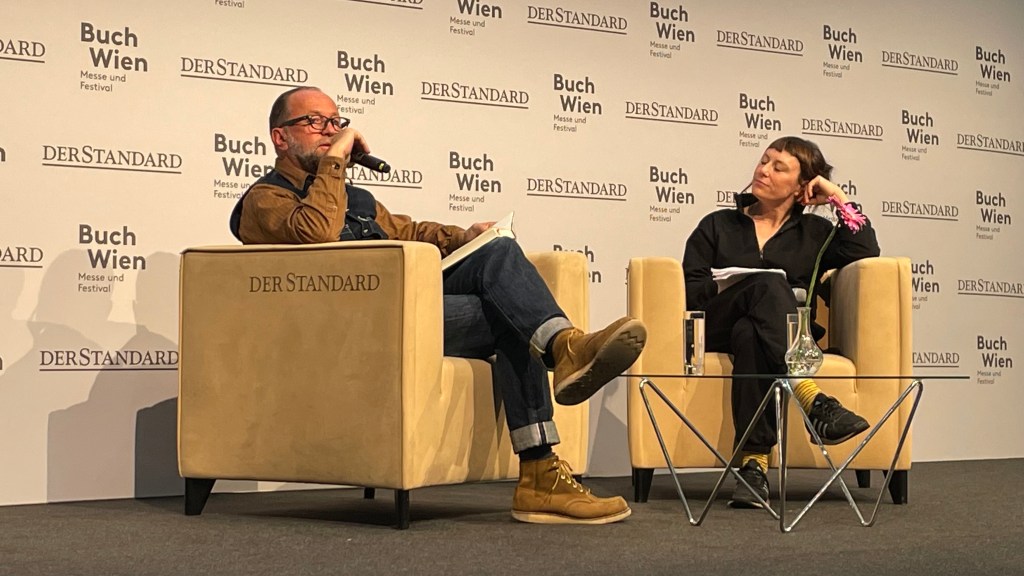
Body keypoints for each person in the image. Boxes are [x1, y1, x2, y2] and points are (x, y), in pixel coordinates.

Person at [230, 86, 646, 525]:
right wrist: (336, 159)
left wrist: (464, 237)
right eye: (315, 122)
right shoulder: (264, 200)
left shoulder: (357, 199)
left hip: (407, 314)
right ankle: (544, 454)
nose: (331, 132)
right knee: (513, 317)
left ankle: (561, 356)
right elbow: (316, 232)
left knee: (498, 255)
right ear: (280, 137)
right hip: (355, 327)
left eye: (336, 122)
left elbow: (408, 232)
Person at [682, 136, 880, 509]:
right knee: (768, 285)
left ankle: (753, 467)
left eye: (779, 167)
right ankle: (810, 396)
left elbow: (865, 248)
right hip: (715, 325)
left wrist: (836, 196)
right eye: (764, 161)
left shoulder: (815, 233)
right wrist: (739, 288)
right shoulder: (718, 224)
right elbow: (692, 290)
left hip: (776, 335)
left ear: (802, 185)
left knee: (750, 332)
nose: (763, 171)